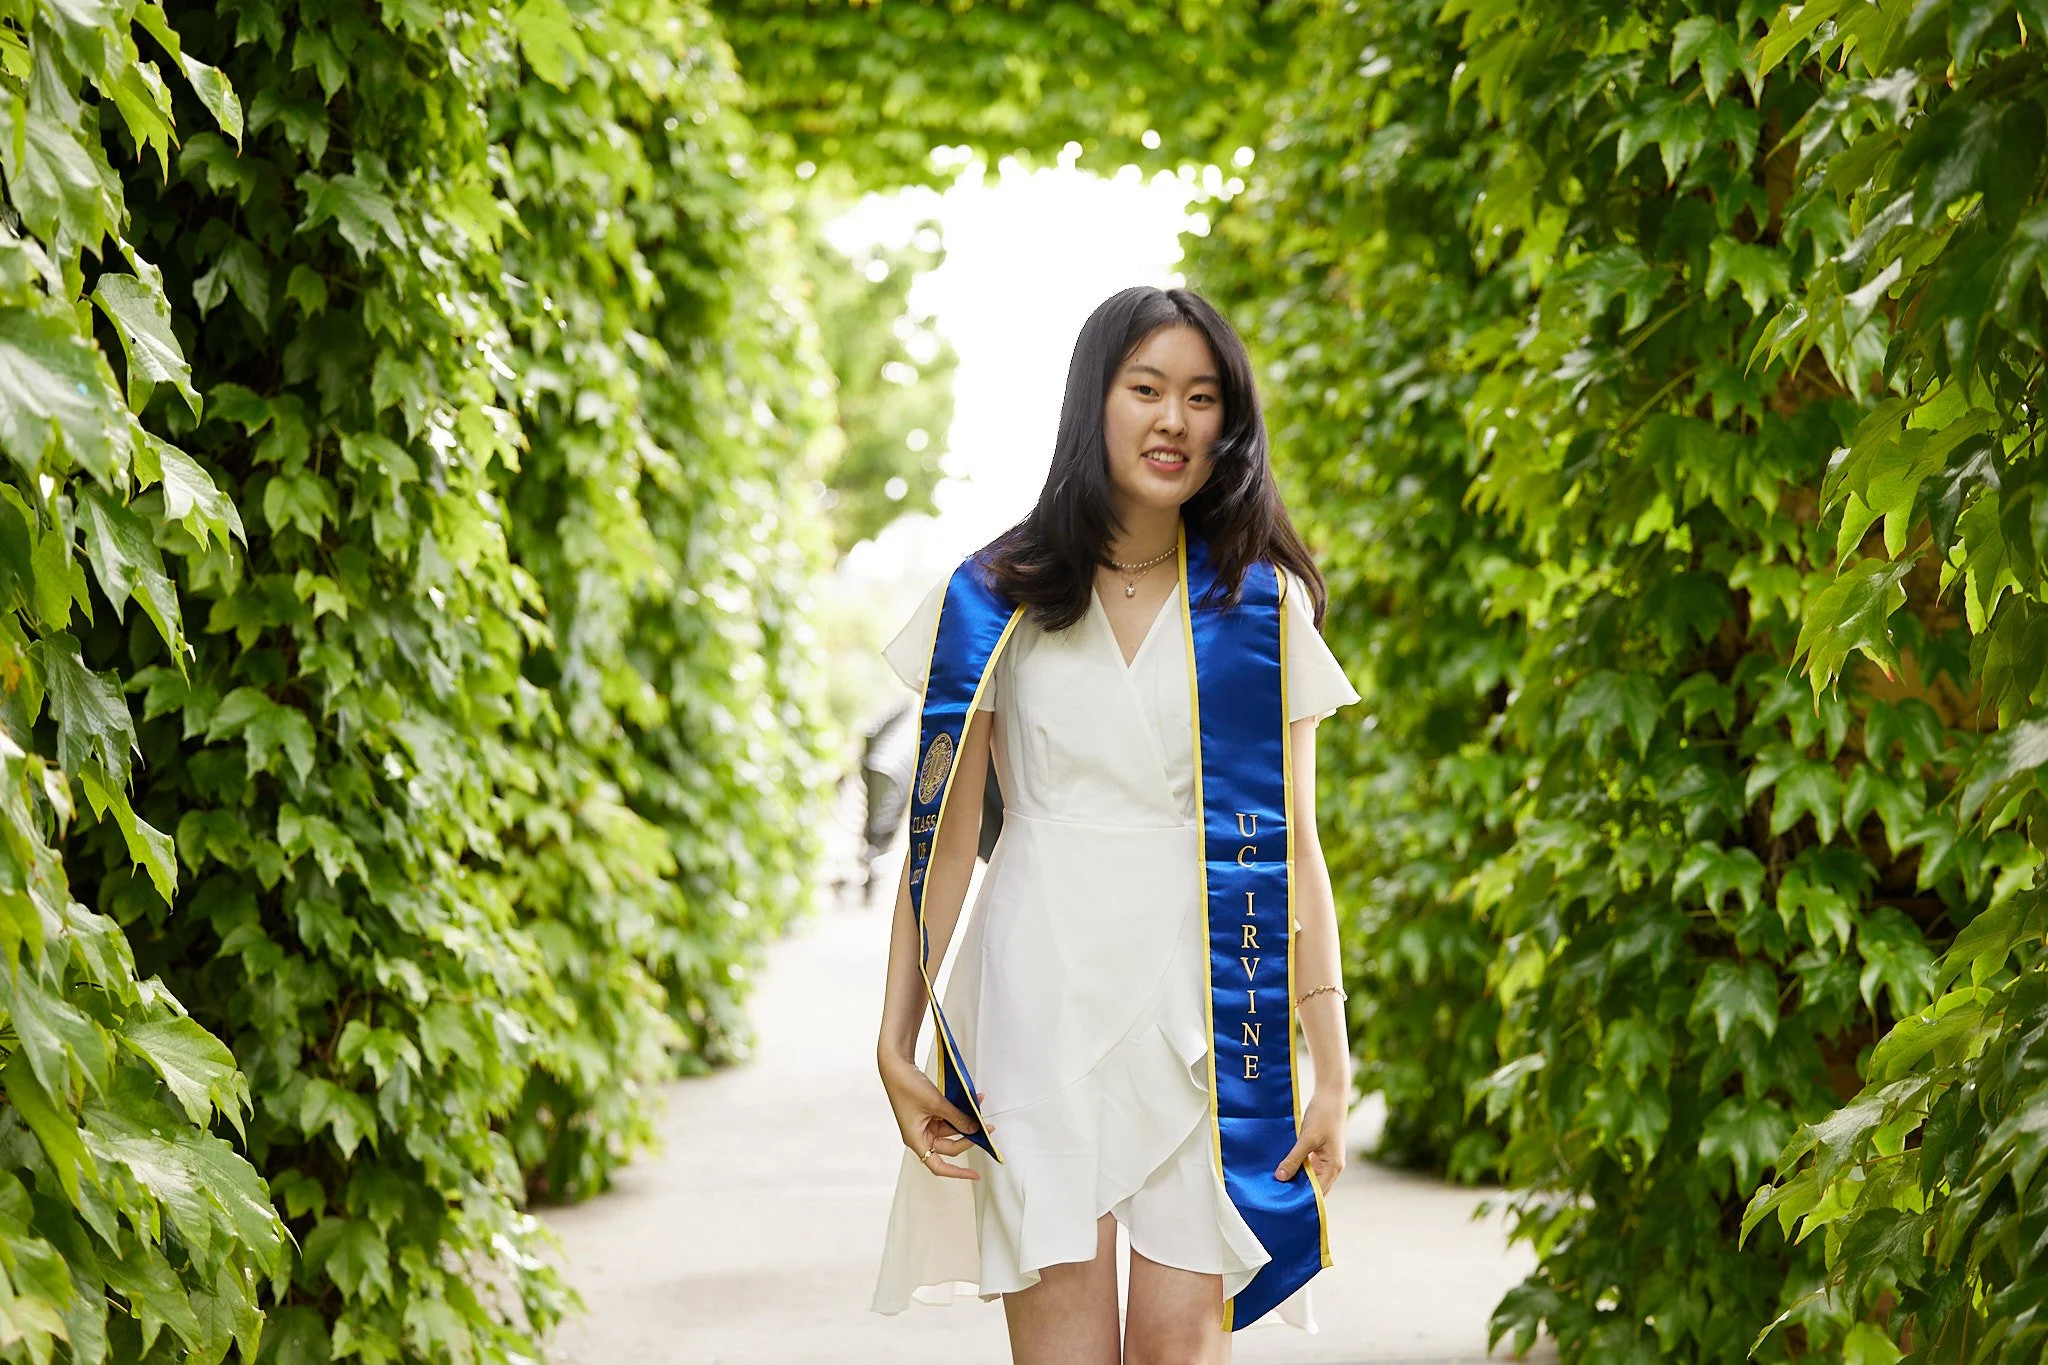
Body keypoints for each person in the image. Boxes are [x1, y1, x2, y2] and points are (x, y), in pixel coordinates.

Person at [870, 285, 1361, 1364]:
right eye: (1146, 389)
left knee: (1181, 1349)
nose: (1173, 420)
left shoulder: (1259, 606)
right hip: (1036, 990)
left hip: (1206, 1004)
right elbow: (943, 841)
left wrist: (1330, 1065)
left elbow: (1297, 844)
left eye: (1202, 397)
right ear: (1093, 399)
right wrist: (894, 1036)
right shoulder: (994, 597)